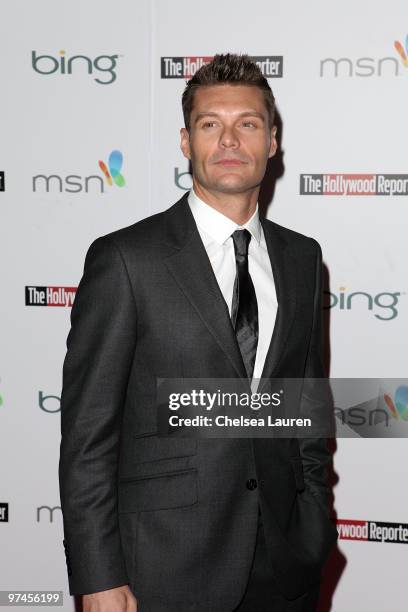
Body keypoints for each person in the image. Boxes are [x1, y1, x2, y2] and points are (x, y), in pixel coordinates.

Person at [59, 53, 338, 612]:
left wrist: (315, 525)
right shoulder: (126, 260)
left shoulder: (303, 258)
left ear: (273, 141)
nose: (230, 140)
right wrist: (97, 576)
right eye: (212, 125)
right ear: (186, 142)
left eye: (248, 124)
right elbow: (88, 436)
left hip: (286, 567)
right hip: (164, 569)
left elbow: (304, 406)